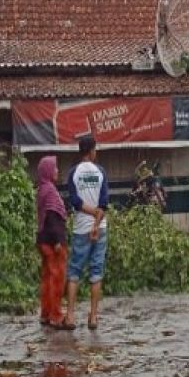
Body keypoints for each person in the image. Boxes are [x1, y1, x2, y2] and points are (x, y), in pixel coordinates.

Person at [66, 135, 110, 330]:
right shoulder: (100, 172)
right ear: (91, 150)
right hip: (99, 228)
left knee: (74, 271)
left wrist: (90, 218)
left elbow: (74, 201)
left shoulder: (73, 173)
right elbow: (103, 204)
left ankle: (70, 316)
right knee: (96, 272)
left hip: (80, 229)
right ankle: (93, 317)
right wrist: (95, 222)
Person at [35, 156, 70, 329]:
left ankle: (46, 314)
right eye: (55, 168)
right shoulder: (50, 191)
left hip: (43, 240)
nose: (57, 171)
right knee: (57, 279)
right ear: (48, 171)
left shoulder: (42, 189)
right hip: (53, 242)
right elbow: (52, 217)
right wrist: (57, 240)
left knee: (48, 278)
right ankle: (56, 316)